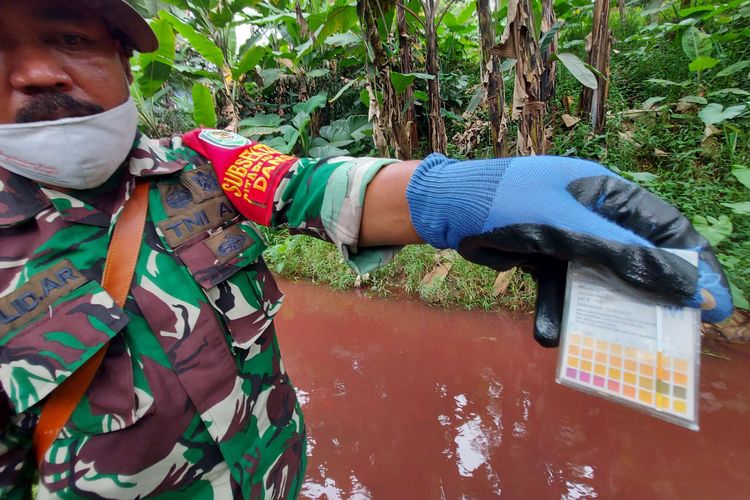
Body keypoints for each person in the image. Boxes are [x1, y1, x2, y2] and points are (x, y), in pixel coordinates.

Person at [0, 0, 732, 497]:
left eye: (69, 37)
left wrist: (484, 195)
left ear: (124, 59)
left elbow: (321, 185)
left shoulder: (201, 162)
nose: (35, 72)